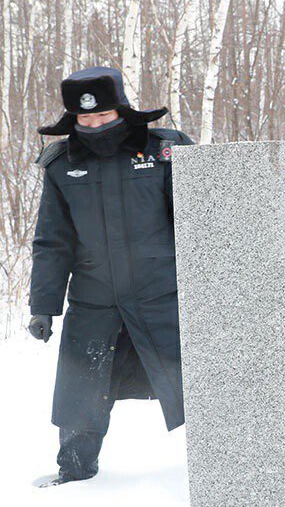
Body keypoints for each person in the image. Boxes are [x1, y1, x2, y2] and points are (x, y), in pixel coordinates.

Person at [27, 66, 193, 487]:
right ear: (74, 119)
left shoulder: (165, 151)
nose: (96, 125)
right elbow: (53, 241)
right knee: (80, 393)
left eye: (104, 117)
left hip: (164, 298)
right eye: (86, 119)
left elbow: (201, 226)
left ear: (121, 109)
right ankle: (76, 475)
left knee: (199, 388)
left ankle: (228, 463)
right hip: (94, 300)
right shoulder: (62, 164)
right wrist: (43, 306)